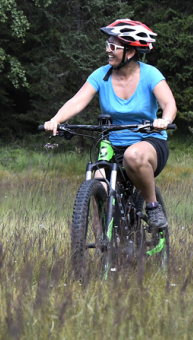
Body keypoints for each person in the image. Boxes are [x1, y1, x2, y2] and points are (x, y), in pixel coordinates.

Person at [43, 19, 177, 229]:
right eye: (107, 45)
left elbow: (169, 103)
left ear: (130, 52)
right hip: (113, 145)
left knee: (134, 156)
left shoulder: (150, 74)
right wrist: (56, 120)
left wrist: (164, 120)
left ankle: (152, 206)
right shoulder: (101, 74)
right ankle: (104, 248)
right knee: (98, 184)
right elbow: (77, 101)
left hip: (149, 142)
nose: (108, 50)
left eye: (113, 47)